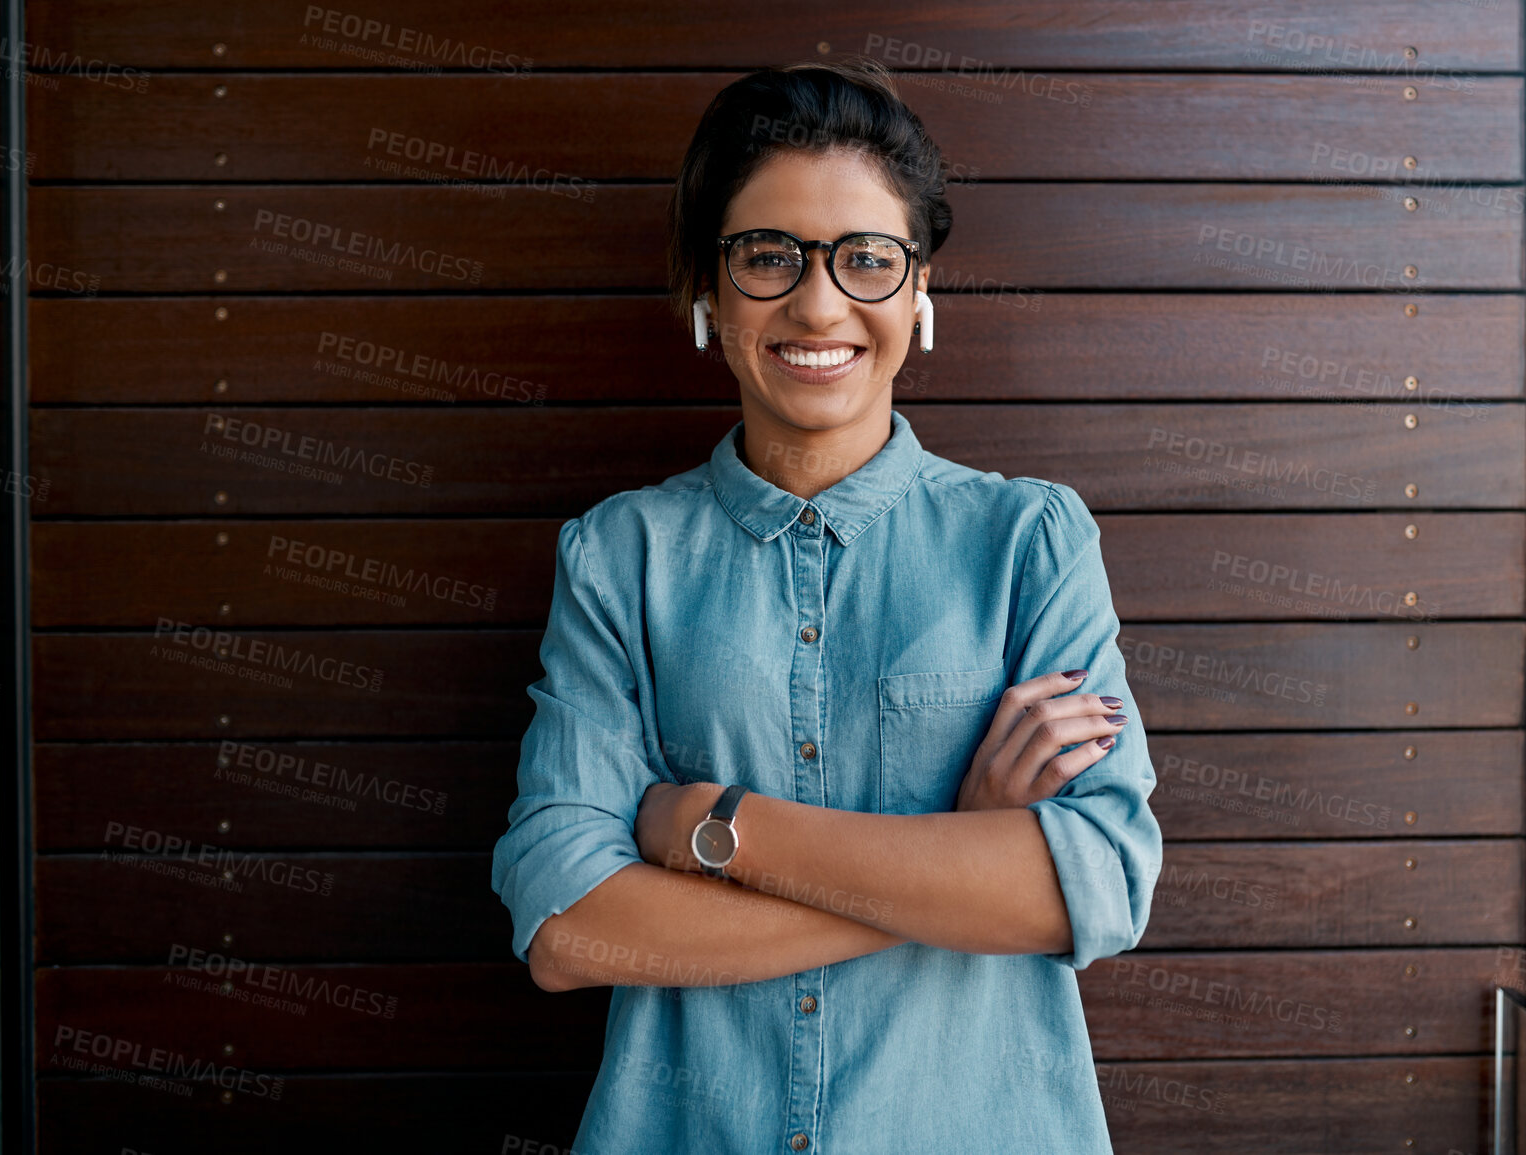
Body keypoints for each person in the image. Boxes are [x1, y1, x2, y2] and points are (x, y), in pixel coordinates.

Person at [490, 56, 1162, 1153]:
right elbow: (568, 929)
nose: (817, 301)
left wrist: (715, 829)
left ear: (919, 290)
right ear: (708, 291)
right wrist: (957, 855)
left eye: (866, 259)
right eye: (767, 256)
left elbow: (1092, 888)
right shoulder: (621, 556)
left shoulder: (1029, 541)